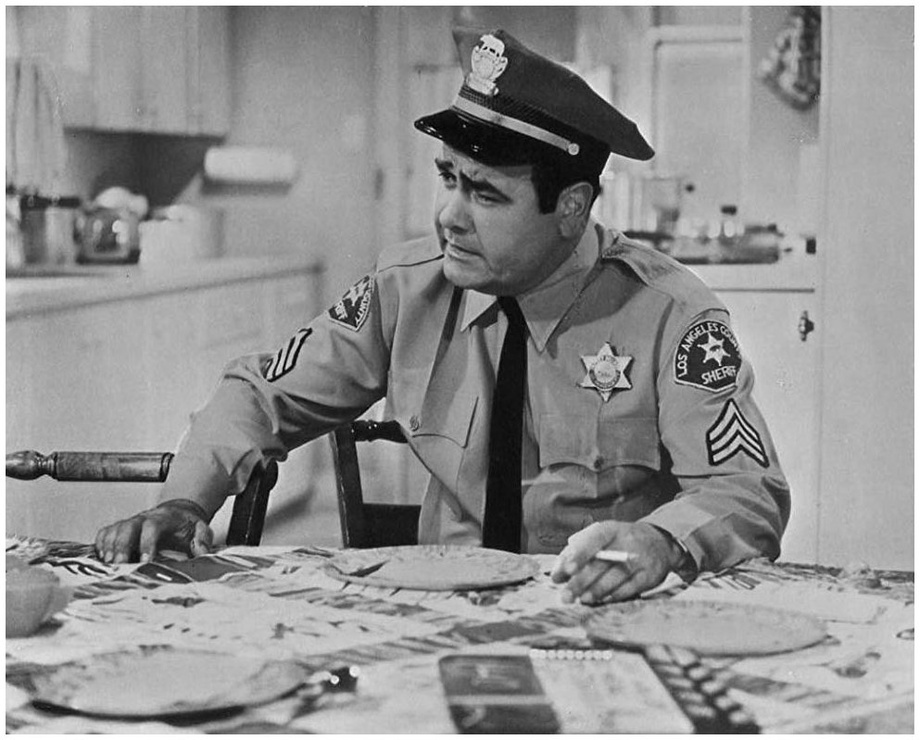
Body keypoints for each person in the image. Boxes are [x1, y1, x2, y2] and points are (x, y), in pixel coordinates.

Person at [95, 27, 790, 605]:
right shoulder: (408, 290)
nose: (449, 216)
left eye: (485, 194)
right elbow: (258, 392)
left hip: (602, 612)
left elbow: (745, 489)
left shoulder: (671, 315)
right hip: (440, 606)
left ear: (572, 208)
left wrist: (662, 541)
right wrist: (185, 502)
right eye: (447, 178)